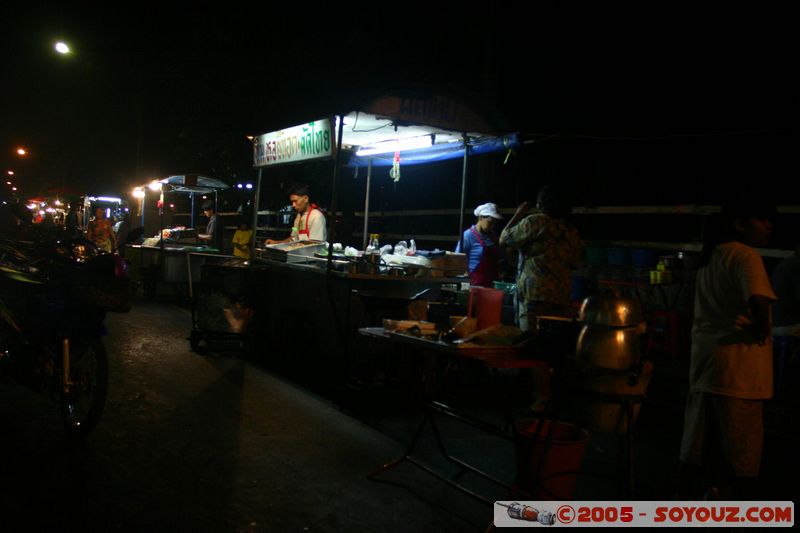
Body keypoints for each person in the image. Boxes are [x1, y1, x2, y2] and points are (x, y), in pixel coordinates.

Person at [676, 202, 777, 500]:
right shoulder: (746, 255)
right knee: (742, 453)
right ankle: (735, 514)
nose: (769, 226)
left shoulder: (712, 256)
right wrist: (762, 329)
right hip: (738, 370)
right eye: (762, 218)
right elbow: (758, 299)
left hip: (707, 364)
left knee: (696, 445)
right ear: (739, 224)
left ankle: (683, 505)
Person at [499, 185, 583, 412]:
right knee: (556, 347)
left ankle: (542, 399)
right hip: (561, 296)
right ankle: (559, 397)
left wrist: (518, 213)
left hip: (535, 295)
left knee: (535, 347)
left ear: (541, 204)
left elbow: (504, 239)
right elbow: (575, 263)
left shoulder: (535, 222)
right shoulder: (571, 231)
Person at [455, 202, 504, 287]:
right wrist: (465, 281)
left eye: (495, 223)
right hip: (475, 284)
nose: (493, 226)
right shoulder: (468, 235)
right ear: (481, 217)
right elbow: (457, 260)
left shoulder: (492, 236)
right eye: (491, 222)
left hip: (491, 283)